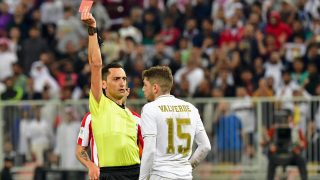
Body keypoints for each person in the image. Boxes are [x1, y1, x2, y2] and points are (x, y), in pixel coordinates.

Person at [81, 11, 141, 180]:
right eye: (116, 79)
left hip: (136, 171)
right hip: (110, 174)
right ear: (104, 84)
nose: (122, 82)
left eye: (124, 79)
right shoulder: (100, 105)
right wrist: (92, 30)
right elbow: (96, 64)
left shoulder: (133, 116)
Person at [139, 66, 211, 180]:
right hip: (185, 176)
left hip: (161, 175)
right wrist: (187, 167)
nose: (143, 89)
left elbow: (150, 150)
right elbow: (205, 146)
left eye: (145, 85)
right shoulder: (191, 108)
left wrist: (142, 179)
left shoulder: (150, 108)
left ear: (155, 88)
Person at [76, 88, 144, 179]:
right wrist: (91, 166)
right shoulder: (91, 117)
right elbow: (80, 150)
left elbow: (146, 152)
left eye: (122, 90)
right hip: (103, 175)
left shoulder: (137, 120)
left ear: (128, 91)